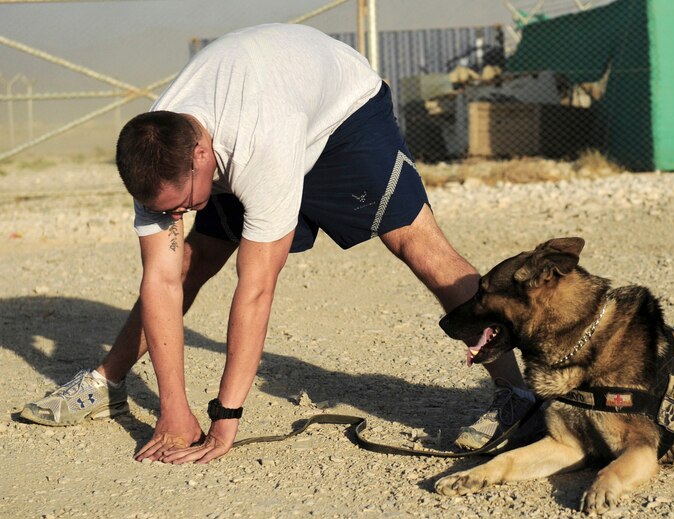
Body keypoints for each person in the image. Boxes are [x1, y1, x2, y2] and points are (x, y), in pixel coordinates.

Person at [21, 23, 541, 463]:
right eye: (166, 210)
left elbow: (257, 289)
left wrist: (226, 416)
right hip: (262, 118)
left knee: (418, 247)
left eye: (182, 205)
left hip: (343, 118)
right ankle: (108, 383)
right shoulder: (156, 153)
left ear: (204, 155)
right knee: (184, 267)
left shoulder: (256, 143)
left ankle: (516, 395)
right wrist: (172, 408)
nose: (175, 217)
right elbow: (159, 278)